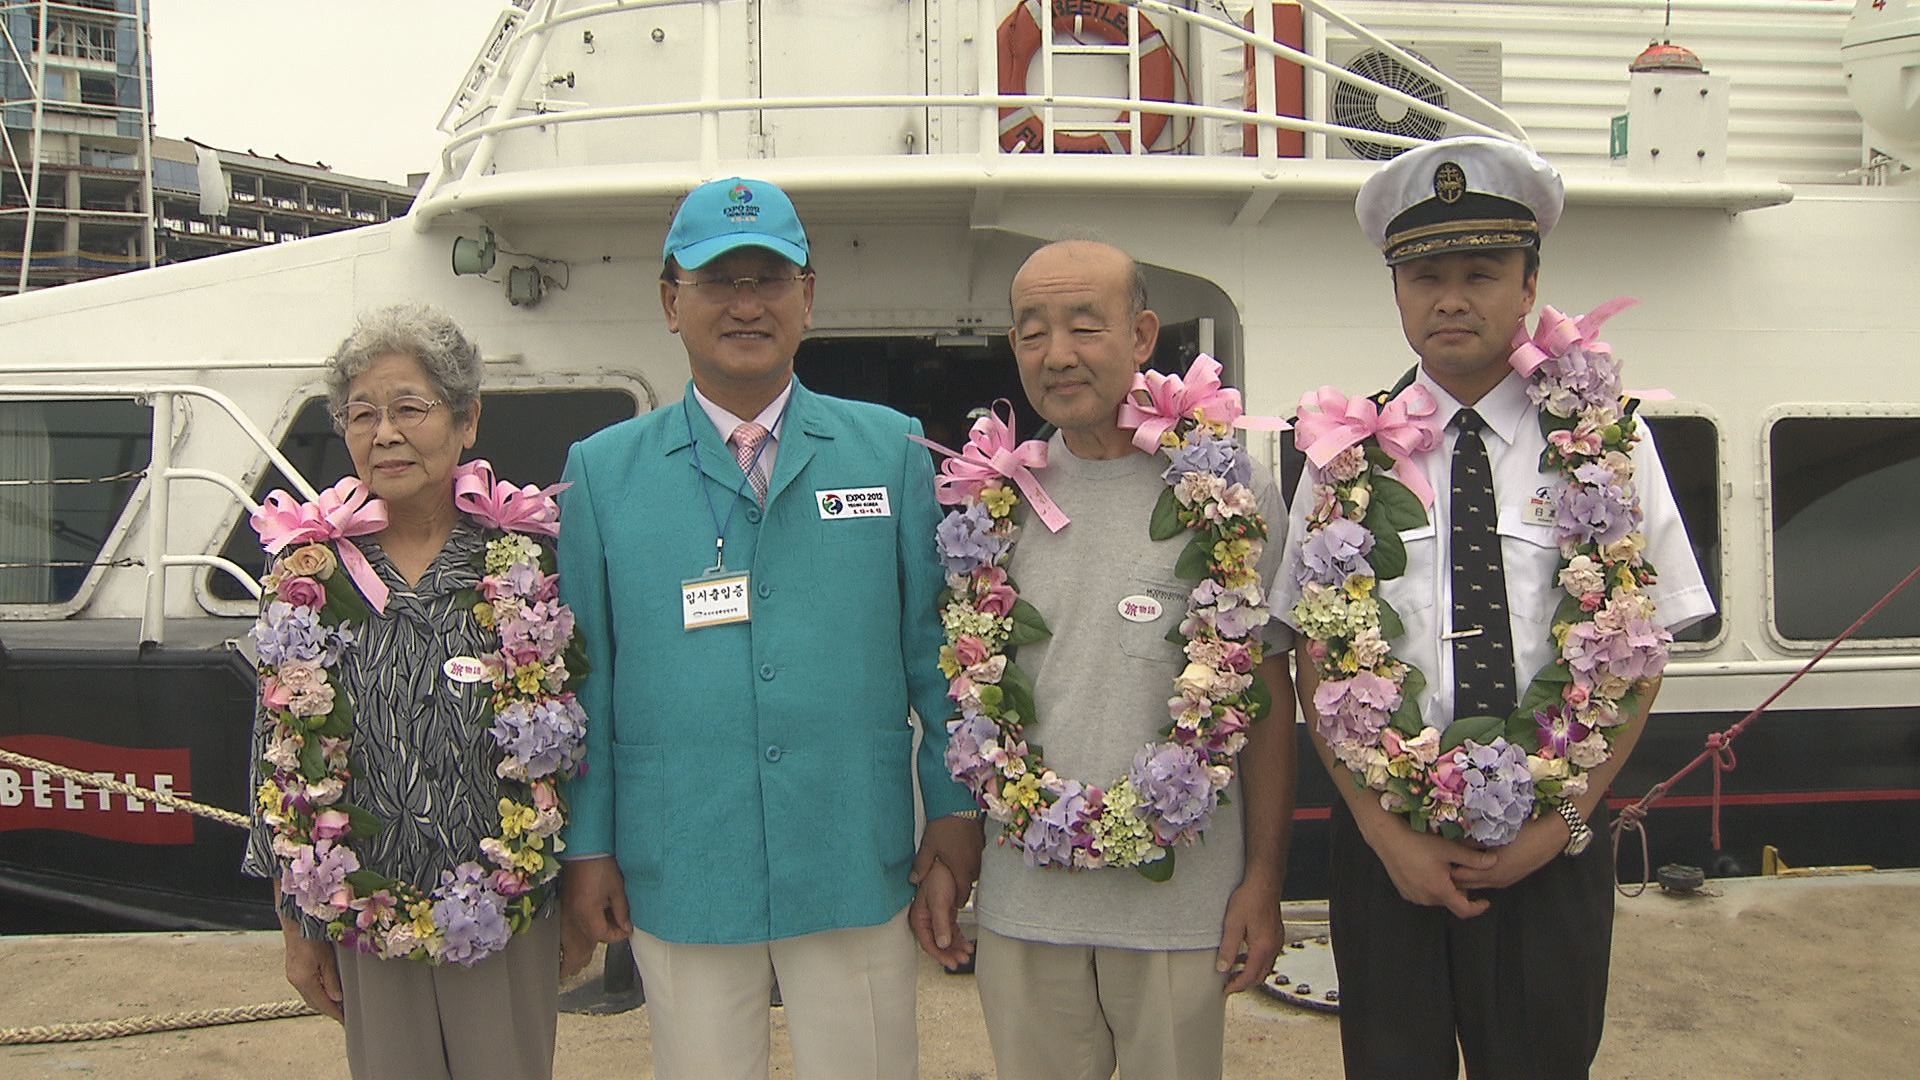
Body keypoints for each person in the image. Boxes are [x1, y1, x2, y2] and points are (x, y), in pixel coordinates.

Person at [1271, 136, 1716, 1079]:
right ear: (1397, 293)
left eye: (1482, 271)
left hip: (1551, 845)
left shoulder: (1611, 447)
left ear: (1531, 284)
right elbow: (1315, 662)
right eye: (1425, 275)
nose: (1451, 298)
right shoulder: (1342, 459)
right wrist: (1389, 839)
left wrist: (1560, 828)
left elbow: (1638, 654)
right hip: (1390, 853)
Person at [555, 176, 981, 1080]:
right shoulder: (602, 472)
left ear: (809, 297)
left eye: (771, 279)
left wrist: (951, 805)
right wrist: (588, 844)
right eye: (717, 281)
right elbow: (584, 680)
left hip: (852, 844)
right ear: (672, 302)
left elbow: (937, 653)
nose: (746, 304)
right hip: (684, 850)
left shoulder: (890, 451)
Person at [958, 239, 1298, 1080]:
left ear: (1143, 336)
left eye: (1085, 325)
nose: (1058, 355)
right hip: (1026, 904)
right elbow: (964, 699)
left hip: (1182, 907)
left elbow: (1267, 697)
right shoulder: (987, 508)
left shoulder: (1231, 495)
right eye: (1032, 333)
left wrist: (1263, 879)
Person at [243, 304, 581, 1080]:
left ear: (466, 421)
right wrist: (297, 917)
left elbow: (576, 736)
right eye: (362, 414)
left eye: (408, 409)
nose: (384, 433)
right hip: (365, 909)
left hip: (510, 905)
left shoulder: (526, 565)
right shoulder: (308, 576)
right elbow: (275, 755)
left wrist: (575, 880)